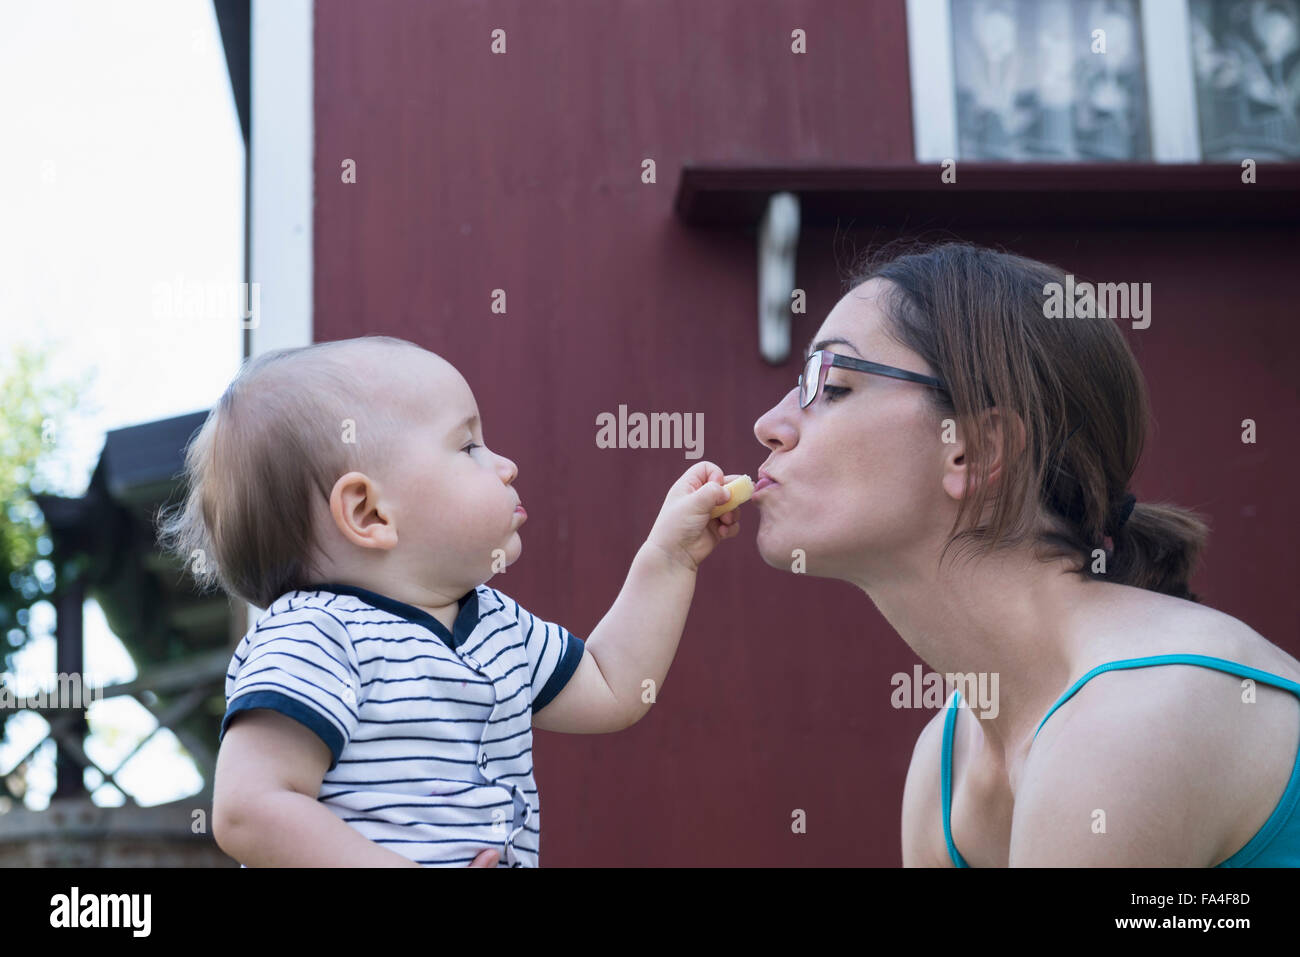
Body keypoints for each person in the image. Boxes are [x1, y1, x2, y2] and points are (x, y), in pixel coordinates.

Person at [749, 241, 1300, 866]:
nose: (770, 424)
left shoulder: (1129, 715)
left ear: (977, 450)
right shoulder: (948, 757)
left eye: (834, 383)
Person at [158, 336, 741, 867]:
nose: (506, 466)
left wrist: (669, 558)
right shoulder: (316, 635)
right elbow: (249, 809)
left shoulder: (495, 625)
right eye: (468, 447)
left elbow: (614, 686)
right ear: (369, 513)